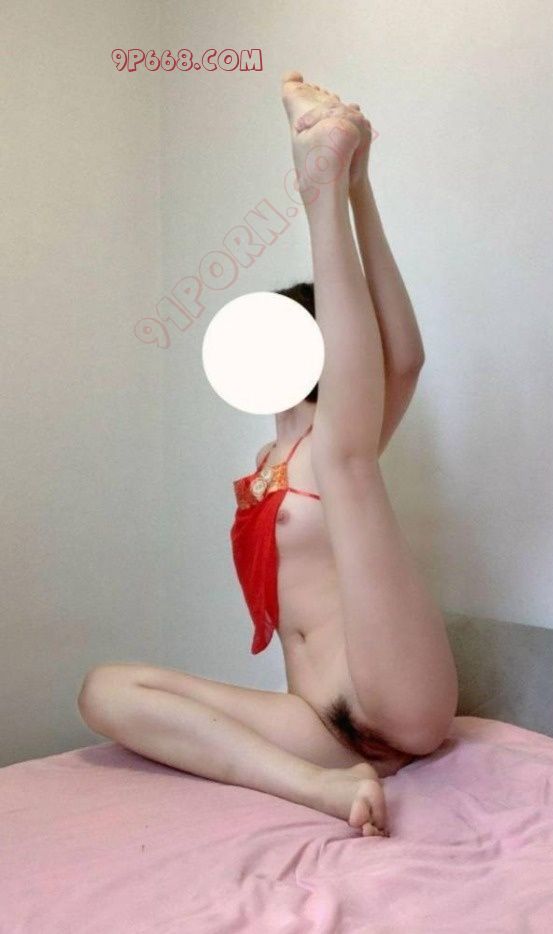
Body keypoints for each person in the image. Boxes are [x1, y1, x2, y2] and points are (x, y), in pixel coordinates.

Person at [78, 72, 459, 837]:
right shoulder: (268, 460)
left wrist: (356, 190)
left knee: (345, 464)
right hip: (316, 722)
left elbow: (403, 357)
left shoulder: (341, 441)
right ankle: (317, 788)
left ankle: (319, 181)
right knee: (104, 690)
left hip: (397, 697)